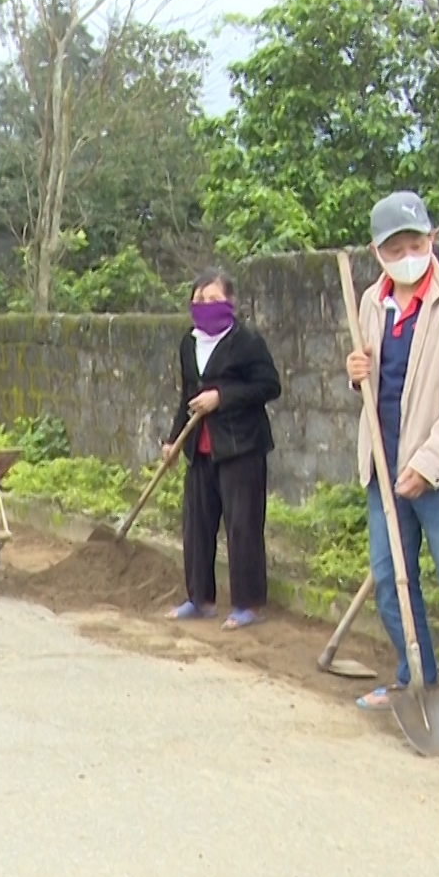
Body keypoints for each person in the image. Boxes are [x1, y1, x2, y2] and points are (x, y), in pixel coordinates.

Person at [345, 190, 439, 734]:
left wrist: (428, 464)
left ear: (432, 240)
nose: (409, 252)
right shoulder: (370, 301)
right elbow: (370, 380)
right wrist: (355, 370)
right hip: (383, 470)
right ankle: (417, 677)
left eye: (417, 241)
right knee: (390, 581)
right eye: (396, 246)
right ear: (377, 251)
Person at [163, 269, 282, 630]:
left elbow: (269, 385)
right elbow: (186, 396)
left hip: (241, 446)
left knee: (242, 525)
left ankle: (248, 604)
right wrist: (172, 439)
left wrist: (222, 397)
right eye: (199, 301)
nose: (205, 306)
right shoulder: (189, 343)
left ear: (230, 303)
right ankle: (199, 599)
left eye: (213, 300)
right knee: (196, 524)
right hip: (200, 446)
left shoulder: (246, 342)